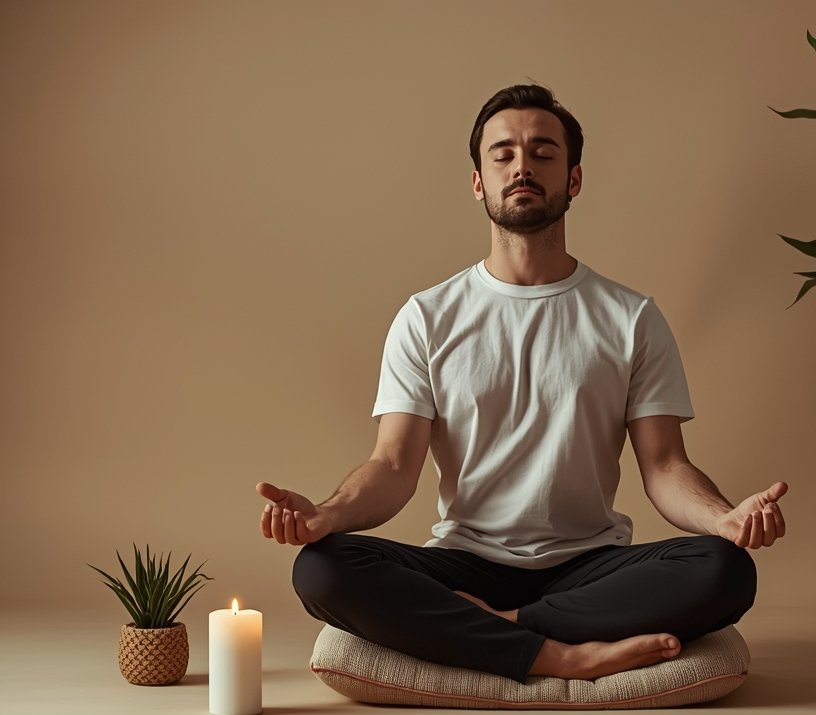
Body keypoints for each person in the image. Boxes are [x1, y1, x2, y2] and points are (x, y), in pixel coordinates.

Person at [258, 84, 787, 683]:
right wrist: (326, 515)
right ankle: (561, 655)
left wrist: (723, 518)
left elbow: (664, 468)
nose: (522, 167)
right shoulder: (427, 317)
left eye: (542, 152)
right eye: (503, 153)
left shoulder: (631, 317)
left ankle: (495, 628)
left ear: (574, 179)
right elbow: (393, 466)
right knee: (322, 569)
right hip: (464, 562)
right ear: (479, 180)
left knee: (725, 569)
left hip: (593, 566)